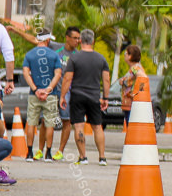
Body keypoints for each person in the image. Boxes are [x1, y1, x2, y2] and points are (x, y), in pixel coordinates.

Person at [59, 29, 110, 166]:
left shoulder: (74, 58)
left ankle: (83, 157)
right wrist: (105, 97)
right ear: (93, 41)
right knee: (97, 127)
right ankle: (102, 157)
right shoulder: (101, 58)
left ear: (80, 40)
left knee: (79, 126)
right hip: (94, 96)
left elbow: (67, 79)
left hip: (77, 96)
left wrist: (63, 96)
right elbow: (106, 80)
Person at [21, 28, 63, 161]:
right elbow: (58, 74)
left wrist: (35, 89)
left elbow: (26, 73)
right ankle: (48, 153)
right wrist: (48, 89)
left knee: (31, 122)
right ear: (47, 40)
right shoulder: (54, 55)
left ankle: (29, 152)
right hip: (50, 95)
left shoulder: (30, 55)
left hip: (34, 94)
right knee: (49, 123)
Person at [52, 26, 81, 160]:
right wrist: (16, 31)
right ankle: (46, 150)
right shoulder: (56, 48)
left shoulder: (78, 56)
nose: (77, 41)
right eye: (74, 38)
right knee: (48, 121)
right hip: (53, 89)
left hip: (68, 93)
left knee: (66, 122)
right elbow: (36, 41)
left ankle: (60, 151)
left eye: (78, 38)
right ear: (67, 38)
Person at [119, 45, 149, 131]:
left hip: (132, 103)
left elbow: (143, 77)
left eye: (126, 53)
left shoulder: (135, 68)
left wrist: (135, 93)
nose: (124, 55)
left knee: (132, 127)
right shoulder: (133, 68)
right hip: (129, 103)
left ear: (130, 56)